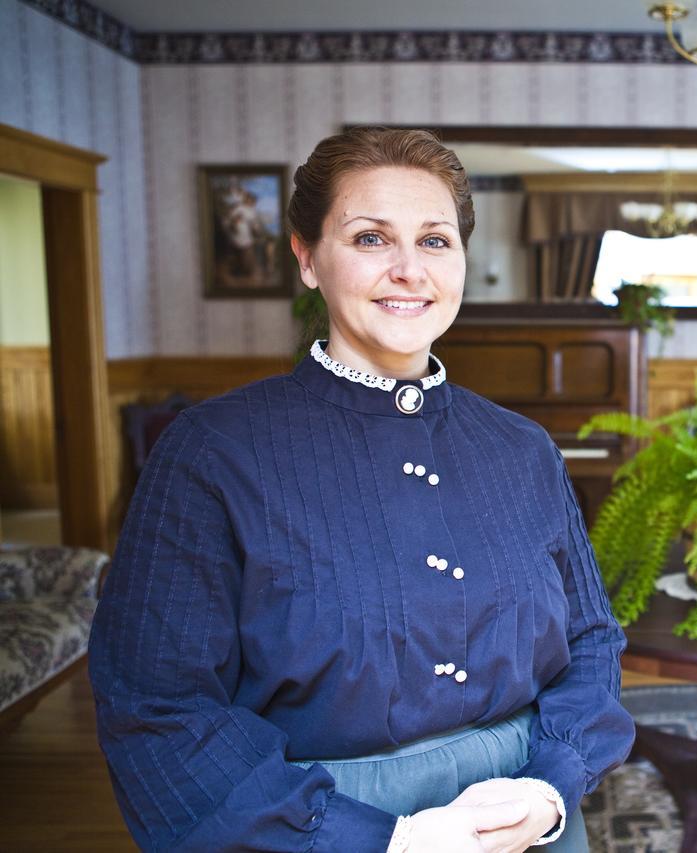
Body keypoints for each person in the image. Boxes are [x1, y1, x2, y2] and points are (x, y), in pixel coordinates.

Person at [89, 126, 635, 852]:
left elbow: (591, 639)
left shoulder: (524, 449)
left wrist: (549, 785)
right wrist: (381, 839)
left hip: (529, 818)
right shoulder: (212, 451)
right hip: (310, 828)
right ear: (307, 256)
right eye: (371, 238)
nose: (410, 269)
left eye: (436, 240)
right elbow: (157, 705)